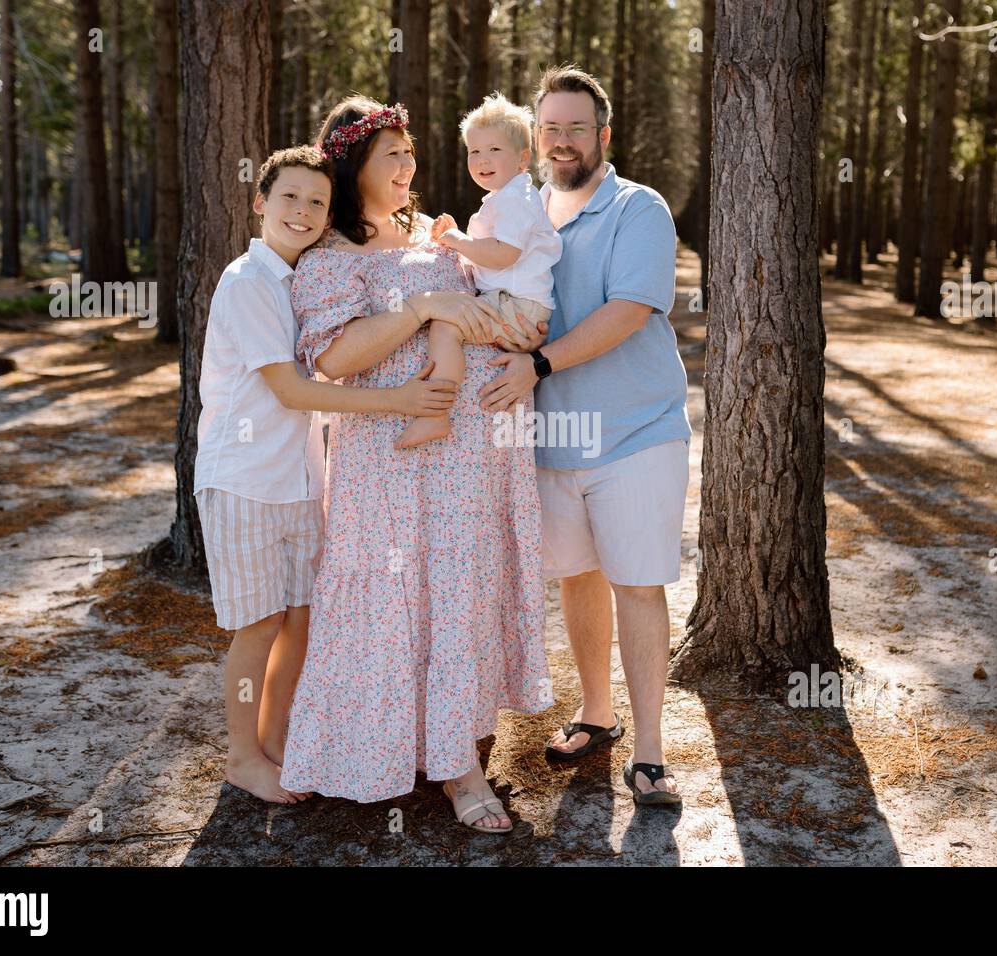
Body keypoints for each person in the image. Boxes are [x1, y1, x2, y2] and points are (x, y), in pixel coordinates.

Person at [279, 96, 553, 834]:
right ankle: (383, 750)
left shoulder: (436, 236)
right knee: (393, 595)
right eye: (393, 155)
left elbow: (497, 303)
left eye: (410, 154)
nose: (409, 166)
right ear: (356, 166)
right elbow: (332, 360)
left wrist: (525, 362)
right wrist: (421, 309)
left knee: (457, 593)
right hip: (388, 460)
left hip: (469, 450)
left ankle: (459, 757)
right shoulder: (331, 257)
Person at [194, 146, 457, 805]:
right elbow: (291, 390)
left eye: (316, 201)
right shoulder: (248, 282)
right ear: (260, 202)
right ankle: (241, 756)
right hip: (244, 480)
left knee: (302, 620)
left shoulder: (304, 277)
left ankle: (280, 740)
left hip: (303, 480)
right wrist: (396, 402)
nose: (303, 211)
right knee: (258, 626)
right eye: (289, 197)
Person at [477, 66, 692, 806]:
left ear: (603, 136)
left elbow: (629, 309)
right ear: (535, 137)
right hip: (551, 440)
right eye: (550, 127)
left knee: (636, 581)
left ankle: (653, 753)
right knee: (577, 575)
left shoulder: (638, 209)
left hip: (636, 432)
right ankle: (596, 715)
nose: (561, 140)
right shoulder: (522, 210)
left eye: (576, 127)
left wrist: (536, 361)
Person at [402, 92, 563, 449]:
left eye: (494, 150)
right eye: (474, 151)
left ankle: (435, 414)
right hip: (513, 302)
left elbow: (503, 254)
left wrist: (458, 241)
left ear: (523, 158)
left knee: (445, 327)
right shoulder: (504, 198)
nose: (482, 159)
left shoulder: (518, 199)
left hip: (519, 306)